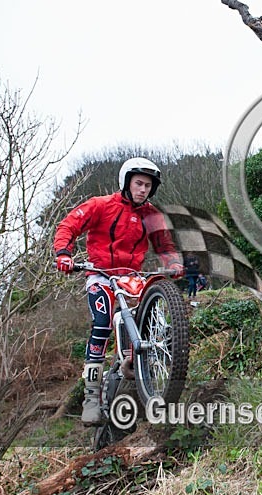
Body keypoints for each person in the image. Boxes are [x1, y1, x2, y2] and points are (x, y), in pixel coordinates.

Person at [53, 157, 184, 425]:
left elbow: (164, 245)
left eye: (148, 185)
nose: (143, 189)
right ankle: (91, 397)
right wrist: (64, 254)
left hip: (132, 277)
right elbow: (68, 226)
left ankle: (145, 361)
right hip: (100, 275)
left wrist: (174, 263)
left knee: (153, 315)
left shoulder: (151, 215)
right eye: (138, 183)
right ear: (126, 182)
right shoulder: (100, 205)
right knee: (101, 324)